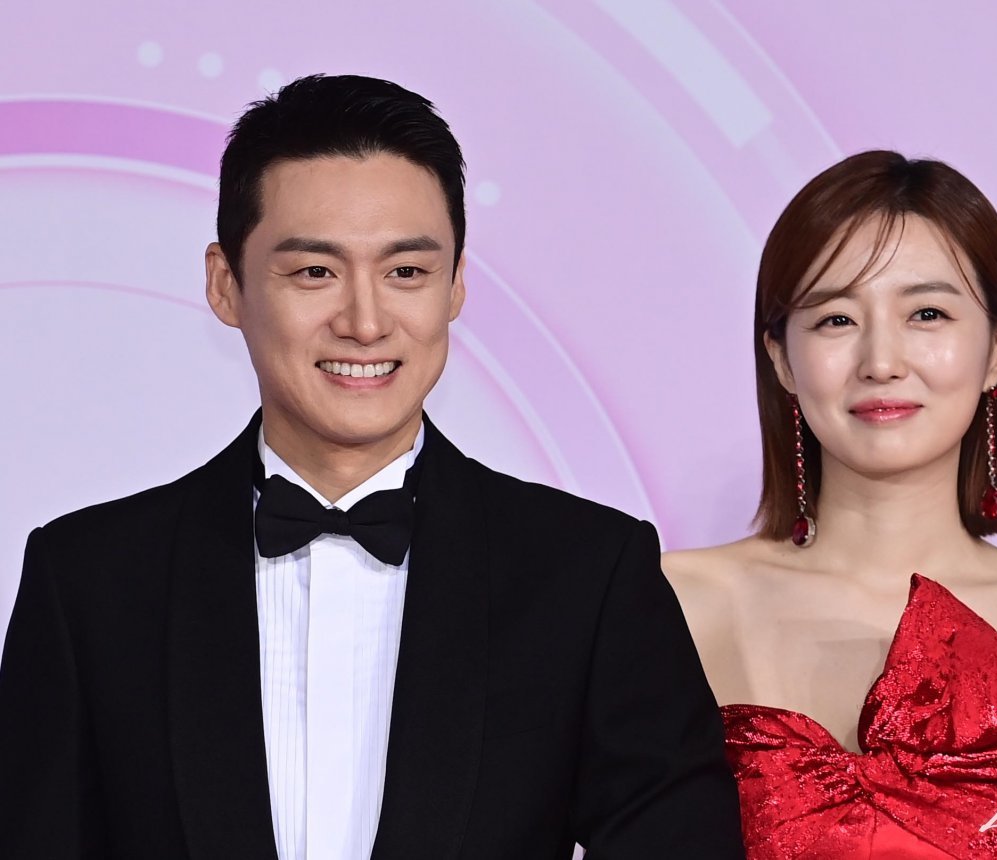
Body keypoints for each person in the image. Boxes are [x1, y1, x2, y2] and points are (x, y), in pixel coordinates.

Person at [0, 74, 745, 860]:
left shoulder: (587, 575)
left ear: (455, 285)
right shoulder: (90, 581)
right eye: (314, 272)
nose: (364, 321)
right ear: (226, 284)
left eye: (406, 273)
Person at [664, 151, 997, 859]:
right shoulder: (671, 604)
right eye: (836, 319)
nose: (881, 361)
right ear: (780, 358)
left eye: (927, 314)